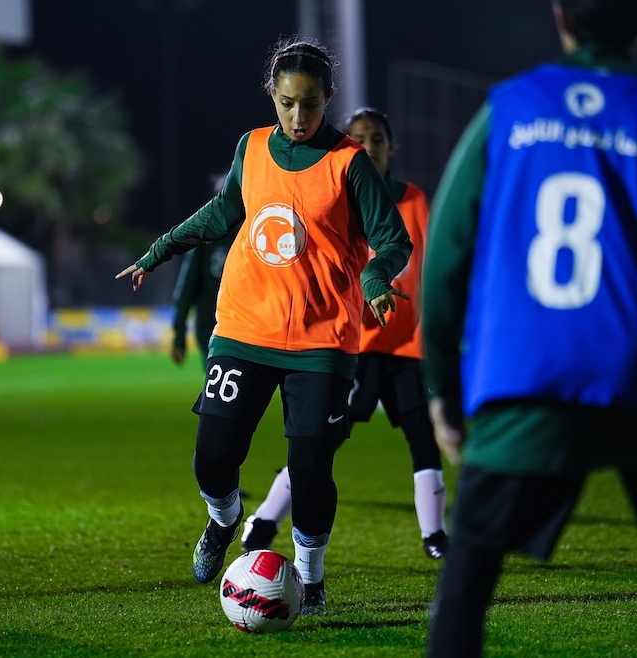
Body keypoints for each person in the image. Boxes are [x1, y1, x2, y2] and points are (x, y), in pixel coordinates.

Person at [421, 1, 637, 656]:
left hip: (528, 377)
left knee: (467, 580)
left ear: (561, 18)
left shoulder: (510, 108)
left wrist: (442, 386)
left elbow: (444, 260)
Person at [116, 37, 412, 616]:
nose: (297, 117)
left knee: (308, 468)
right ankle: (222, 522)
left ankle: (310, 579)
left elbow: (393, 241)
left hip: (321, 341)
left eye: (309, 104)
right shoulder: (250, 148)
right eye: (285, 103)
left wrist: (376, 280)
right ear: (271, 97)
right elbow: (224, 211)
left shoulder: (349, 163)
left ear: (328, 98)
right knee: (212, 457)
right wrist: (159, 251)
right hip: (244, 329)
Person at [239, 107, 449, 560]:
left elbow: (428, 265)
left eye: (376, 138)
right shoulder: (336, 191)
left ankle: (435, 535)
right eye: (359, 138)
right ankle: (264, 520)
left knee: (422, 436)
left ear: (391, 147)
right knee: (318, 441)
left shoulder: (413, 199)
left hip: (406, 345)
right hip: (352, 344)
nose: (368, 146)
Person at [169, 173, 235, 370]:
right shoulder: (206, 236)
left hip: (245, 322)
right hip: (212, 324)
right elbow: (186, 288)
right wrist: (179, 334)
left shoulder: (255, 234)